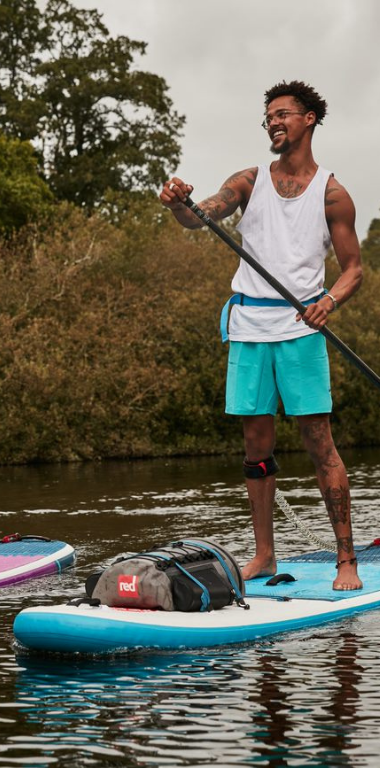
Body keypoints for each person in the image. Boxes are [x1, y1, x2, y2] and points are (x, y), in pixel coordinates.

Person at [160, 80, 363, 590]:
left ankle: (346, 561)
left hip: (300, 329)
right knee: (255, 448)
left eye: (283, 114)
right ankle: (265, 556)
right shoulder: (249, 181)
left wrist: (329, 301)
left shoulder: (332, 194)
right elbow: (197, 218)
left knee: (321, 445)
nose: (273, 122)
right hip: (249, 328)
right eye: (267, 116)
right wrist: (177, 203)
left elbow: (354, 269)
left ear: (309, 119)